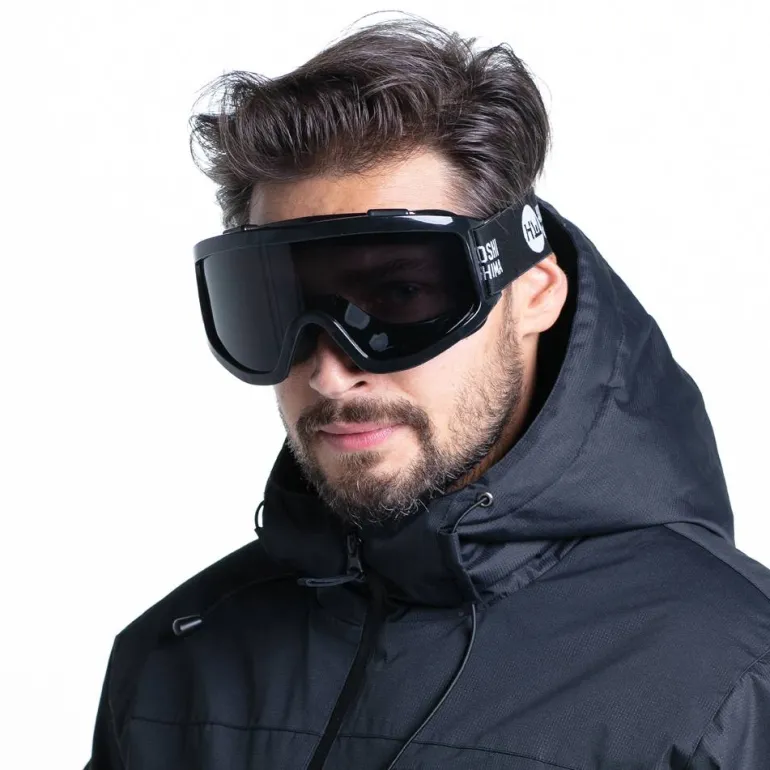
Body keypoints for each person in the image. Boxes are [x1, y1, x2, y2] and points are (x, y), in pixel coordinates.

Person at [86, 16, 770, 770]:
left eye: (402, 295)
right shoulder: (173, 667)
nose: (330, 373)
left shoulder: (731, 681)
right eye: (280, 312)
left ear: (533, 293)